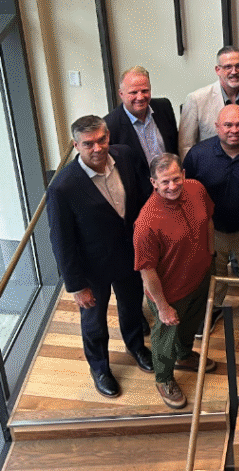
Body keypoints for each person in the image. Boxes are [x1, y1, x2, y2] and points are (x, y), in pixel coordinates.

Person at [47, 116, 152, 398]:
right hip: (92, 269)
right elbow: (61, 241)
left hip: (129, 257)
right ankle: (100, 368)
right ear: (76, 145)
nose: (97, 148)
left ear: (108, 136)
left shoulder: (125, 156)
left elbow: (141, 198)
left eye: (101, 139)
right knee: (94, 323)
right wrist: (76, 285)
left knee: (132, 308)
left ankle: (136, 347)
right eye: (88, 143)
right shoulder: (62, 188)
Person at [182, 105, 239, 339]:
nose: (234, 130)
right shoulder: (198, 154)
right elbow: (187, 192)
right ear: (216, 127)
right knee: (212, 273)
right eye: (228, 125)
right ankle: (213, 308)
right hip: (211, 229)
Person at [134, 154, 218, 409]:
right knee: (164, 340)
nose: (172, 186)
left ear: (183, 174)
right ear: (154, 183)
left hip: (200, 277)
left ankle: (184, 355)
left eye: (176, 179)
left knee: (191, 324)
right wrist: (162, 307)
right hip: (170, 293)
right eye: (165, 182)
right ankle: (164, 378)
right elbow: (147, 271)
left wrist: (212, 256)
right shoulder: (146, 223)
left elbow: (208, 222)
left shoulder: (196, 188)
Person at [178, 46, 239, 159]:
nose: (234, 72)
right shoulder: (196, 99)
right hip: (209, 168)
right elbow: (185, 146)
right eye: (228, 67)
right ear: (218, 70)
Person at [105, 66, 179, 187]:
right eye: (133, 92)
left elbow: (174, 147)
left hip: (172, 187)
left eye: (145, 91)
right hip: (140, 195)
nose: (140, 97)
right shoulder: (110, 126)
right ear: (121, 94)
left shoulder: (164, 107)